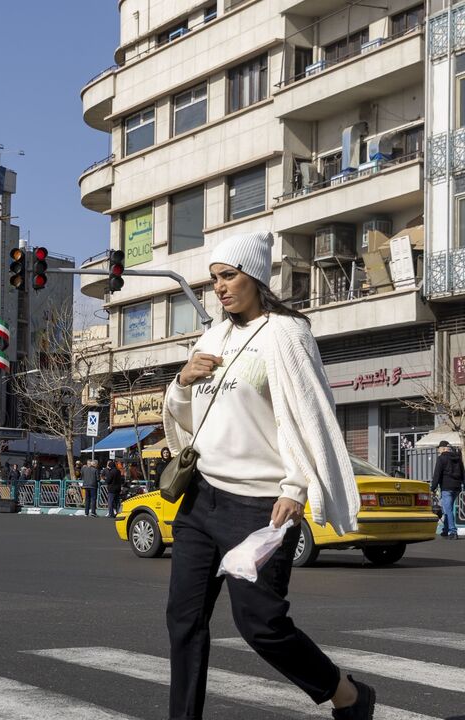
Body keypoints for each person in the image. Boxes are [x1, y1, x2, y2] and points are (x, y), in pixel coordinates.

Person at [162, 231, 371, 720]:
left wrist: (296, 488)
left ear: (255, 276)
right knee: (183, 620)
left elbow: (311, 415)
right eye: (214, 278)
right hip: (201, 498)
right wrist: (180, 382)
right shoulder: (214, 336)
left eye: (229, 276)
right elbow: (189, 416)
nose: (220, 287)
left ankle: (347, 695)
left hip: (258, 505)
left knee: (260, 624)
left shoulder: (286, 333)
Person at [431, 440, 461, 540]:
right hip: (457, 488)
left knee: (447, 510)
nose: (438, 450)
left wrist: (433, 488)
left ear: (443, 448)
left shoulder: (441, 458)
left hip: (446, 487)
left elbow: (437, 474)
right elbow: (463, 472)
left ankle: (453, 531)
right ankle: (445, 529)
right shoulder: (457, 458)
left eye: (439, 448)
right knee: (448, 509)